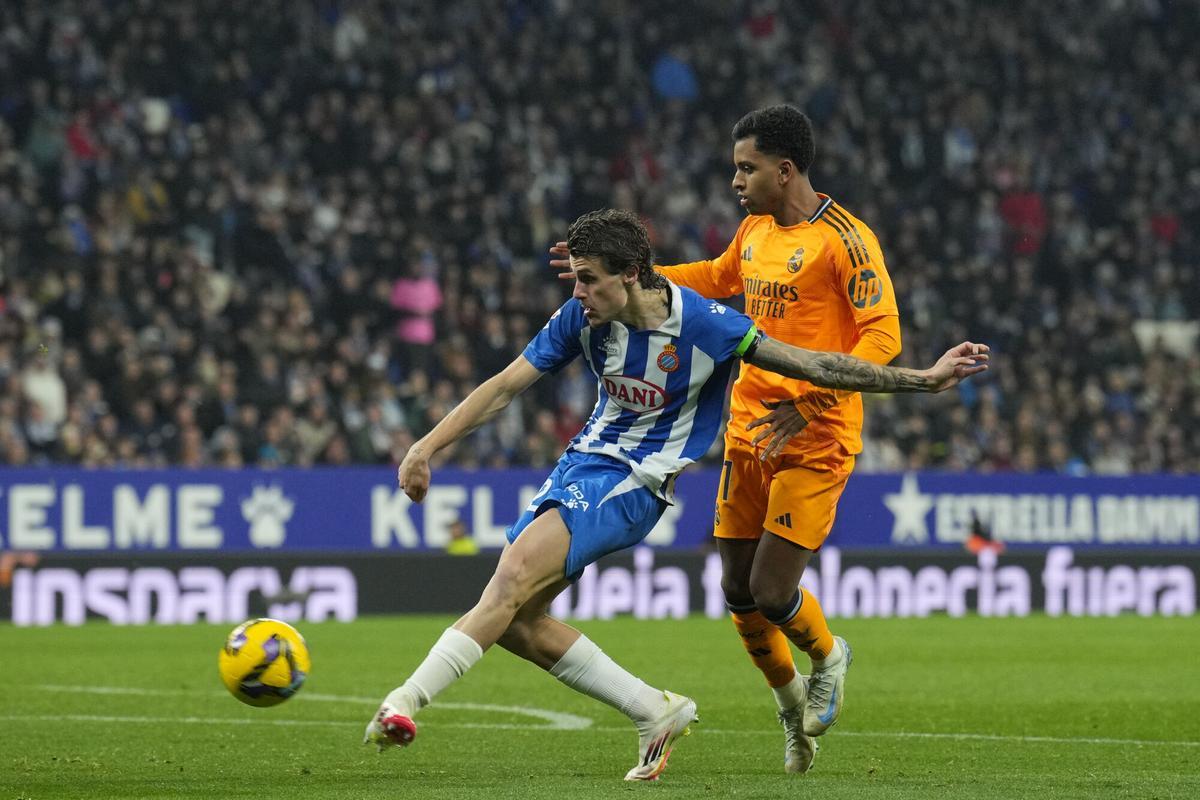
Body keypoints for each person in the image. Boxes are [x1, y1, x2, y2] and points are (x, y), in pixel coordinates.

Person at [369, 209, 987, 781]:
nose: (576, 291)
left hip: (635, 483)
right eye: (576, 279)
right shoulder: (581, 319)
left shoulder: (706, 325)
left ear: (630, 275)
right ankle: (653, 710)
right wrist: (425, 446)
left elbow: (818, 366)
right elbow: (505, 386)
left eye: (588, 279)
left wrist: (922, 381)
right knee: (517, 622)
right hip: (582, 465)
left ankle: (402, 701)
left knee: (506, 585)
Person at [550, 104, 918, 773]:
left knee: (774, 589)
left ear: (785, 170)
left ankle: (828, 655)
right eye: (734, 168)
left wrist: (811, 402)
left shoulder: (847, 240)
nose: (735, 181)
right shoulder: (753, 230)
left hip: (816, 434)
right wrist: (621, 269)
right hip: (748, 429)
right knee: (736, 591)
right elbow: (716, 278)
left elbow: (883, 339)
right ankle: (789, 710)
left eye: (746, 168)